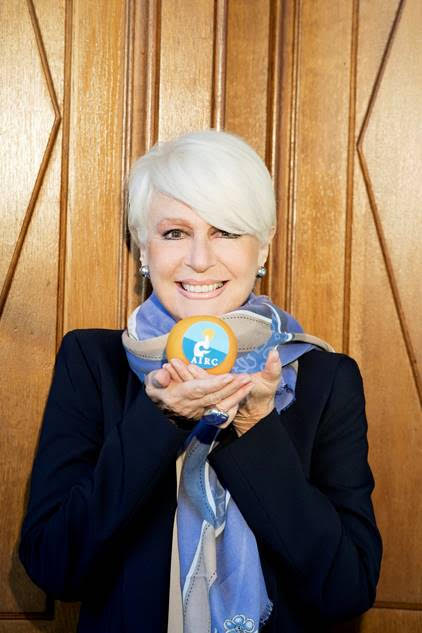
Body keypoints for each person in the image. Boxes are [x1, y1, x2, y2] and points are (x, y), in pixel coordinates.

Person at [19, 130, 382, 633]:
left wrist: (253, 427)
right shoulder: (93, 363)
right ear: (143, 248)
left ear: (263, 248)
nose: (199, 259)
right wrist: (161, 419)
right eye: (174, 233)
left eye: (226, 232)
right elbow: (55, 565)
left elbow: (348, 588)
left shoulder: (323, 378)